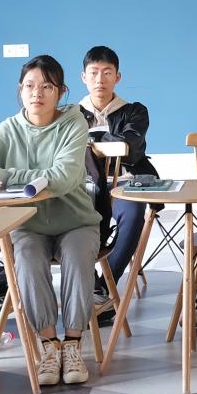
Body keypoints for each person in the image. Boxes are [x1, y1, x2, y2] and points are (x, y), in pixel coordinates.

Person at [0, 55, 104, 387]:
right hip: (28, 223)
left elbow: (62, 177)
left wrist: (3, 175)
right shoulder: (9, 128)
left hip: (75, 220)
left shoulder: (74, 123)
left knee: (78, 256)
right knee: (26, 257)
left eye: (47, 86)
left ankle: (73, 343)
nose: (37, 93)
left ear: (61, 91)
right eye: (30, 86)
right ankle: (50, 345)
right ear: (20, 90)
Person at [76, 45, 155, 287]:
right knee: (70, 214)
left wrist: (89, 143)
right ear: (84, 77)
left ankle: (105, 285)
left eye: (107, 72)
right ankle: (87, 282)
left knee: (133, 213)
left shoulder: (134, 111)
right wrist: (107, 143)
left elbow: (129, 146)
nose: (100, 79)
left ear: (117, 77)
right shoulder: (71, 115)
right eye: (94, 73)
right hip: (82, 185)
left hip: (125, 182)